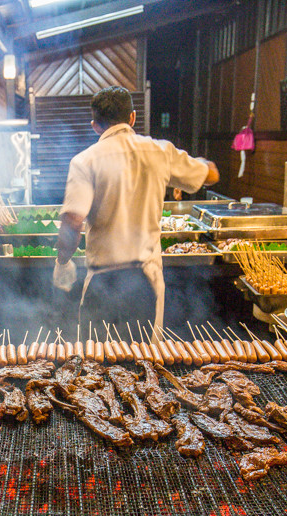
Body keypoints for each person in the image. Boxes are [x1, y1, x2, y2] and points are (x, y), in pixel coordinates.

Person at [54, 86, 219, 332]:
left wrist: (63, 263)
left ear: (95, 125)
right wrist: (203, 164)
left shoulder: (84, 161)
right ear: (132, 117)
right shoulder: (160, 151)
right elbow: (212, 175)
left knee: (95, 362)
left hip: (101, 281)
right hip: (146, 281)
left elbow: (73, 220)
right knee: (145, 363)